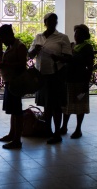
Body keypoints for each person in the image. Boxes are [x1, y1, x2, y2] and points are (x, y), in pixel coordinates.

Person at [28, 13, 72, 144]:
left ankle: (57, 133)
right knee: (46, 105)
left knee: (56, 105)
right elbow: (30, 55)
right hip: (41, 76)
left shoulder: (62, 38)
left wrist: (57, 58)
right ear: (45, 22)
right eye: (50, 20)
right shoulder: (38, 37)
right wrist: (35, 50)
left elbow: (69, 58)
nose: (52, 23)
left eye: (55, 21)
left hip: (55, 75)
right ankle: (48, 130)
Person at [0, 24, 28, 149]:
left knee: (17, 111)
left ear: (9, 35)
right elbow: (1, 60)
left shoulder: (20, 46)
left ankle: (17, 140)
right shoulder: (10, 46)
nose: (2, 41)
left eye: (2, 38)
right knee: (13, 111)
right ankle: (12, 134)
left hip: (16, 82)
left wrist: (6, 65)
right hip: (9, 82)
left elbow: (22, 65)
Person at [60, 24, 94, 139]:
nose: (76, 35)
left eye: (79, 33)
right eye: (75, 33)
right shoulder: (72, 46)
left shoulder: (87, 47)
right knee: (67, 104)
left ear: (85, 35)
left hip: (80, 80)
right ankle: (64, 126)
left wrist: (87, 83)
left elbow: (89, 66)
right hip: (69, 79)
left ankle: (78, 129)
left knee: (80, 105)